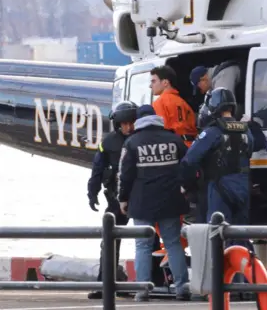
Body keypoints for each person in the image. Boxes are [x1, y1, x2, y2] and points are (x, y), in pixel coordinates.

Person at [117, 105, 191, 302]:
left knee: (142, 245)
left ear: (138, 121)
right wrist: (185, 189)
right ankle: (182, 287)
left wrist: (123, 199)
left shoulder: (132, 142)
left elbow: (125, 175)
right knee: (173, 243)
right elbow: (187, 166)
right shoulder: (174, 139)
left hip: (142, 202)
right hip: (170, 200)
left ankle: (142, 289)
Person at [181, 87, 254, 232]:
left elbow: (189, 160)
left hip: (219, 187)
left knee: (216, 235)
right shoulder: (246, 130)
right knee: (240, 233)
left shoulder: (212, 132)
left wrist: (187, 185)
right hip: (243, 187)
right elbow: (249, 152)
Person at [85, 100, 137, 300]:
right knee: (109, 241)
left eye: (131, 122)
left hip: (141, 197)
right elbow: (97, 169)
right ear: (118, 124)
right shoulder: (107, 143)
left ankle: (152, 282)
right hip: (116, 199)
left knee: (149, 241)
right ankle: (105, 284)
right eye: (124, 123)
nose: (128, 127)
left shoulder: (141, 139)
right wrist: (92, 192)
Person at [150, 65, 198, 147]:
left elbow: (160, 131)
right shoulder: (183, 102)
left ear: (165, 82)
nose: (150, 85)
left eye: (153, 81)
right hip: (192, 146)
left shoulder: (158, 103)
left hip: (173, 147)